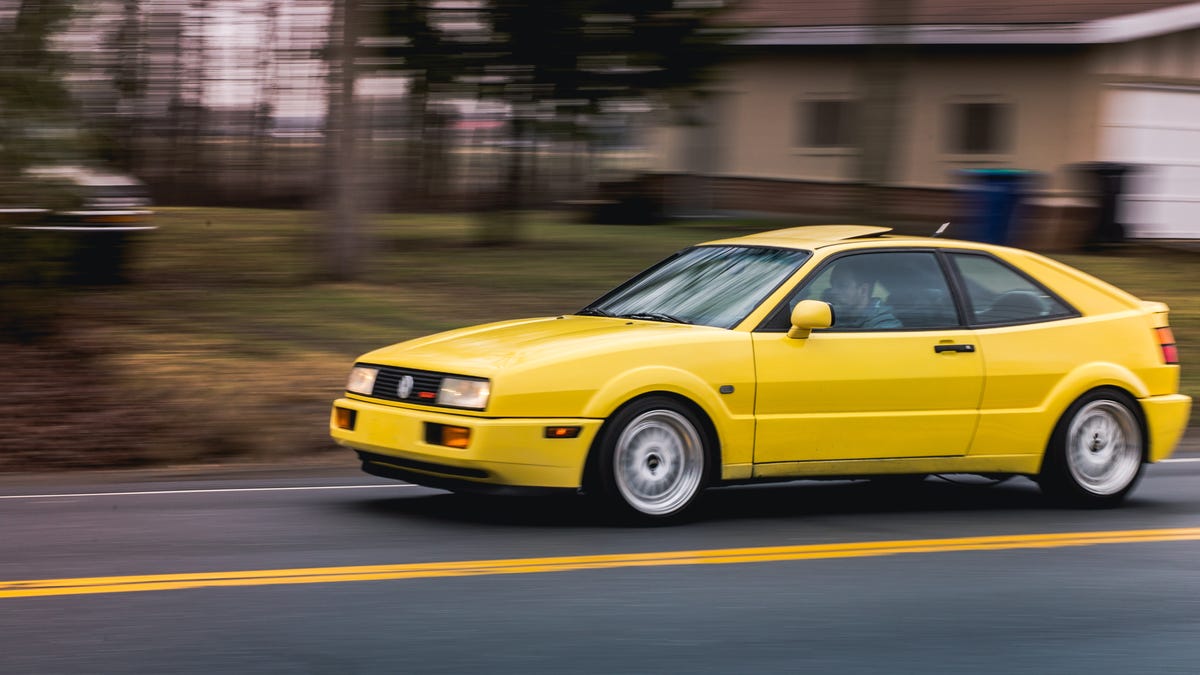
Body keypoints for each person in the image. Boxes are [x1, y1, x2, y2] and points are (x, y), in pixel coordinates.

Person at [826, 259, 902, 329]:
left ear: (863, 290)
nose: (833, 292)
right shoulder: (840, 316)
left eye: (842, 285)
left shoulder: (884, 326)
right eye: (832, 285)